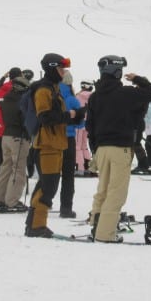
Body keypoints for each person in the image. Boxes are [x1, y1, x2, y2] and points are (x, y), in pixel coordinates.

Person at [87, 55, 151, 243]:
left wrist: (95, 149)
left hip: (101, 148)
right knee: (116, 192)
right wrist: (137, 79)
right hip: (121, 149)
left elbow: (90, 125)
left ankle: (97, 225)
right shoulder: (126, 93)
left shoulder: (95, 96)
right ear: (117, 71)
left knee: (103, 188)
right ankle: (105, 234)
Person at [24, 53, 84, 238]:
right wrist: (71, 116)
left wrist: (75, 116)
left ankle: (34, 224)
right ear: (51, 68)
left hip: (55, 143)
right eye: (60, 68)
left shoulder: (53, 88)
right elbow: (45, 117)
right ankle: (36, 226)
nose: (63, 72)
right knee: (47, 186)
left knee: (47, 184)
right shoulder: (44, 90)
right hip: (47, 145)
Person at [0, 76, 32, 211]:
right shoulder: (22, 102)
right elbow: (25, 121)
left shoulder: (6, 99)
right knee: (18, 169)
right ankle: (12, 201)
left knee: (5, 168)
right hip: (18, 138)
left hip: (6, 136)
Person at [57, 70, 82, 218]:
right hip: (69, 138)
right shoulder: (73, 100)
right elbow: (80, 123)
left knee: (50, 174)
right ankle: (66, 208)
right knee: (68, 175)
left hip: (52, 137)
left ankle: (42, 203)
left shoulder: (51, 95)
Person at [74, 81, 93, 175]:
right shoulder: (93, 96)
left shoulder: (78, 96)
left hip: (78, 123)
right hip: (88, 123)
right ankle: (88, 166)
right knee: (84, 145)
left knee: (77, 146)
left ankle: (79, 167)